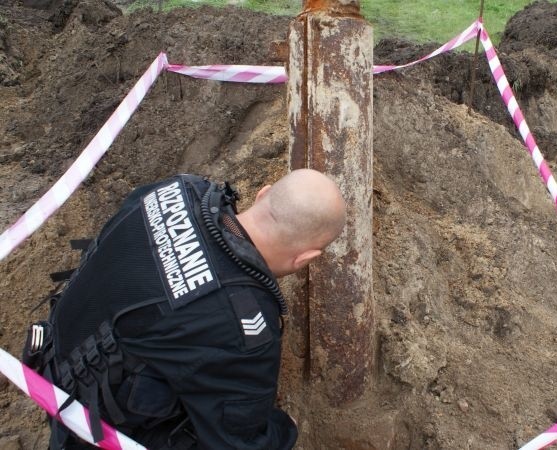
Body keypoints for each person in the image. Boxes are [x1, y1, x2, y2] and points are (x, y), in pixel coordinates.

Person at [22, 169, 346, 449]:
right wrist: (282, 430)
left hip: (56, 357)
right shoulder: (243, 325)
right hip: (92, 426)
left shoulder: (176, 189)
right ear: (306, 259)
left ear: (263, 194)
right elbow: (236, 442)